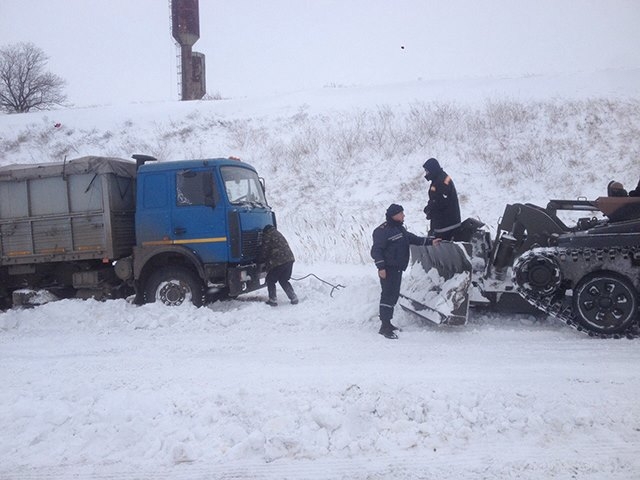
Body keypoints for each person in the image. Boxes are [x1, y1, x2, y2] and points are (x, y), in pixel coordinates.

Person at [371, 204, 441, 339]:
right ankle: (384, 327)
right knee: (387, 296)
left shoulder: (399, 229)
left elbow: (413, 239)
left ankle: (388, 323)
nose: (404, 216)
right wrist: (381, 268)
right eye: (401, 213)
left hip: (397, 268)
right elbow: (376, 251)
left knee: (393, 296)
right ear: (394, 215)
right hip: (388, 269)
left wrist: (431, 242)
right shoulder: (382, 231)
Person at [259, 225, 298, 306]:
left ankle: (273, 300)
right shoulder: (277, 233)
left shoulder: (268, 235)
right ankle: (293, 297)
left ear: (266, 231)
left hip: (280, 261)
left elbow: (264, 251)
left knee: (270, 280)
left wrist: (260, 259)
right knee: (283, 279)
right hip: (289, 259)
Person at [422, 157, 461, 240]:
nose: (426, 173)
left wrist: (430, 209)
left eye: (427, 171)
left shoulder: (441, 181)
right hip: (445, 223)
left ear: (433, 170)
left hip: (446, 225)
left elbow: (439, 201)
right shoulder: (438, 178)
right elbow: (434, 198)